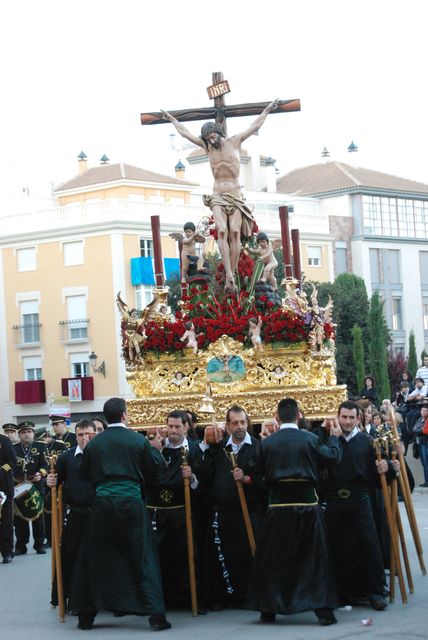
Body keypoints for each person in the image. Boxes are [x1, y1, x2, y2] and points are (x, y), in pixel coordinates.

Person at [69, 397, 170, 631]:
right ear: (125, 415)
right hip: (132, 503)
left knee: (94, 556)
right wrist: (156, 451)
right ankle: (156, 617)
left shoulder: (95, 443)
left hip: (103, 504)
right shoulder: (138, 440)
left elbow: (84, 473)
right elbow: (154, 471)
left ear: (106, 417)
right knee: (142, 556)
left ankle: (86, 616)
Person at [161, 100, 279, 292]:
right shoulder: (208, 147)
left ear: (219, 131)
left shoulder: (235, 141)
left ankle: (231, 272)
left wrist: (268, 109)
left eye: (212, 135)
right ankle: (230, 276)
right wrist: (172, 119)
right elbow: (185, 133)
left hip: (235, 195)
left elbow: (255, 125)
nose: (211, 139)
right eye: (207, 137)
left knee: (234, 232)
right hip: (217, 195)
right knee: (222, 231)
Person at [247, 398, 342, 626]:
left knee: (274, 558)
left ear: (277, 417)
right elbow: (332, 458)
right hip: (307, 507)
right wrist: (335, 438)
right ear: (298, 416)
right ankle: (323, 611)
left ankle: (268, 609)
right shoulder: (310, 439)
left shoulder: (268, 444)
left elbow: (255, 470)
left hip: (278, 509)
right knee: (314, 558)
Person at [321, 400, 397, 611]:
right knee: (338, 548)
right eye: (343, 417)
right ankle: (343, 592)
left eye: (351, 418)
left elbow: (381, 475)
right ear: (338, 417)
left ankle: (374, 590)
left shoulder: (368, 442)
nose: (347, 421)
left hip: (360, 501)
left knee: (368, 545)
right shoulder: (328, 441)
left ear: (358, 419)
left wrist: (387, 467)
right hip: (334, 503)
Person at [197, 405, 266, 610]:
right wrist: (205, 445)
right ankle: (225, 596)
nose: (239, 427)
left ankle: (253, 595)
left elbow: (265, 479)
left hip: (250, 511)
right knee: (223, 554)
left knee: (250, 553)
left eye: (243, 422)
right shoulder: (218, 448)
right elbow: (205, 475)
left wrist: (247, 478)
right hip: (223, 511)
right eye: (235, 423)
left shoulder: (257, 446)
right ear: (227, 426)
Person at [146, 410, 204, 611]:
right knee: (162, 557)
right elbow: (152, 479)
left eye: (177, 427)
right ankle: (165, 598)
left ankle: (191, 598)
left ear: (186, 427)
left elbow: (203, 482)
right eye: (170, 426)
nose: (173, 431)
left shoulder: (195, 450)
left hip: (184, 512)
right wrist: (157, 453)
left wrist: (193, 478)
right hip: (159, 514)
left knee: (187, 554)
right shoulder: (157, 449)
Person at [47, 419, 97, 606]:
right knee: (70, 556)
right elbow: (56, 482)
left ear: (95, 434)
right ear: (75, 436)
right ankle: (65, 597)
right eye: (80, 435)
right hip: (75, 514)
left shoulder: (102, 455)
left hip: (99, 513)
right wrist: (50, 481)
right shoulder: (66, 457)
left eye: (88, 434)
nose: (84, 438)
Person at [13, 421, 48, 555]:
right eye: (23, 432)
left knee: (38, 515)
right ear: (19, 435)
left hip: (36, 484)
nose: (27, 434)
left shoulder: (41, 446)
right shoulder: (14, 448)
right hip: (18, 485)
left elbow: (45, 465)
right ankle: (21, 546)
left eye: (29, 432)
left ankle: (39, 544)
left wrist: (42, 473)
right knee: (19, 516)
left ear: (33, 433)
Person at [0, 432, 17, 563]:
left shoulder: (4, 440)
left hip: (4, 487)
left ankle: (7, 552)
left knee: (6, 521)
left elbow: (12, 461)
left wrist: (1, 470)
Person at [412, 401, 428, 487]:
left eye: (425, 411)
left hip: (426, 442)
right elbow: (414, 429)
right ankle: (426, 481)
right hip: (420, 443)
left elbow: (424, 431)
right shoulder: (419, 419)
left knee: (426, 463)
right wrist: (420, 431)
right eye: (422, 410)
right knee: (424, 463)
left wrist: (420, 431)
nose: (423, 412)